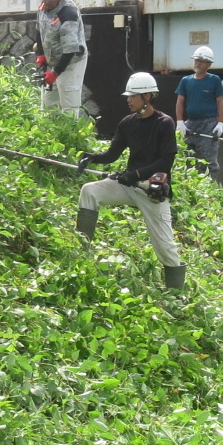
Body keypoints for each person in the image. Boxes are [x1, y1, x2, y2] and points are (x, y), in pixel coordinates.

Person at [76, 72, 185, 291]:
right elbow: (112, 155)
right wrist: (92, 157)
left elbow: (165, 162)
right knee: (89, 191)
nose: (128, 100)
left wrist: (135, 175)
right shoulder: (127, 123)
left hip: (152, 192)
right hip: (128, 186)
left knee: (165, 248)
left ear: (147, 97)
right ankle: (81, 252)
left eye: (133, 96)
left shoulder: (164, 123)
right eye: (128, 96)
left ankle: (176, 293)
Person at [33, 0, 88, 116]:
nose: (47, 2)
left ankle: (70, 135)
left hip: (71, 62)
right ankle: (50, 135)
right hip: (54, 59)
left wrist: (55, 73)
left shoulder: (68, 14)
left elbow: (70, 50)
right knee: (48, 104)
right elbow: (39, 30)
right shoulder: (43, 7)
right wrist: (41, 54)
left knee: (69, 105)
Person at [174, 45, 223, 181]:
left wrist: (220, 123)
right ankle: (186, 183)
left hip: (209, 123)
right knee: (183, 154)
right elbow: (180, 102)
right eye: (196, 59)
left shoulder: (214, 80)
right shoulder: (186, 81)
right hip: (190, 123)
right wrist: (180, 122)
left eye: (201, 60)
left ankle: (211, 187)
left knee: (209, 159)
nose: (197, 62)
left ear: (208, 64)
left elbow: (220, 102)